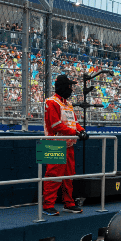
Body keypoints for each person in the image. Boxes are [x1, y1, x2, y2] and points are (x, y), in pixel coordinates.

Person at [42, 75, 88, 215]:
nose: (71, 89)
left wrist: (82, 130)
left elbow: (74, 122)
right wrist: (76, 132)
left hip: (68, 144)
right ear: (62, 86)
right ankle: (47, 205)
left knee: (69, 175)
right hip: (53, 143)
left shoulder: (68, 104)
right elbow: (55, 125)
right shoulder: (51, 102)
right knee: (53, 175)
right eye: (69, 86)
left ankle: (69, 203)